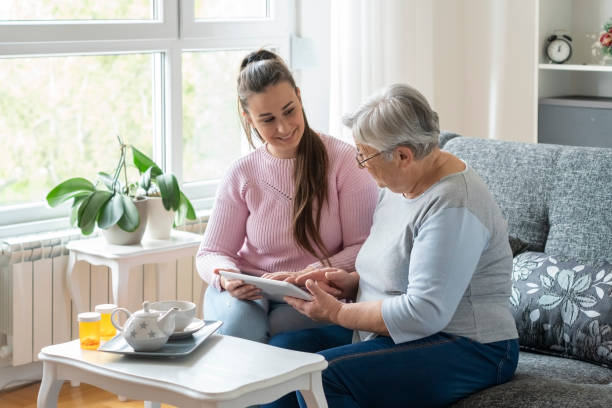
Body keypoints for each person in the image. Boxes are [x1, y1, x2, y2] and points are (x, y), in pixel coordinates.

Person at [265, 83, 520, 408]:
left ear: (403, 155)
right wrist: (351, 284)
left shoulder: (454, 204)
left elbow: (423, 312)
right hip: (409, 333)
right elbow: (400, 270)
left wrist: (339, 312)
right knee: (281, 354)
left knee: (323, 378)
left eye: (364, 154)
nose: (361, 164)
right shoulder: (400, 184)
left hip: (470, 345)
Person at [196, 49, 378, 343]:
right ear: (248, 118)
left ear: (299, 96)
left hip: (310, 290)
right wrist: (227, 276)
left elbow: (364, 247)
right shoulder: (242, 172)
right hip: (250, 292)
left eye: (289, 110)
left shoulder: (344, 161)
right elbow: (210, 253)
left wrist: (305, 274)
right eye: (267, 119)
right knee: (242, 323)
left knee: (281, 325)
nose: (283, 127)